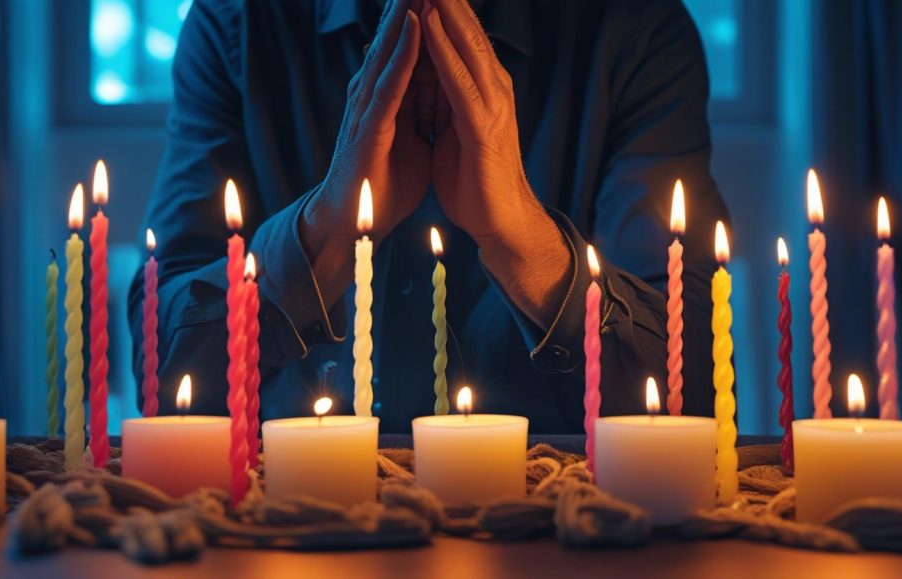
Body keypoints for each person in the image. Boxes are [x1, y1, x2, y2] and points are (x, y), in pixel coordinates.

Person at [129, 0, 729, 433]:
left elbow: (694, 395)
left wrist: (521, 237)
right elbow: (166, 373)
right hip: (294, 525)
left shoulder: (635, 29)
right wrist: (330, 229)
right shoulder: (237, 22)